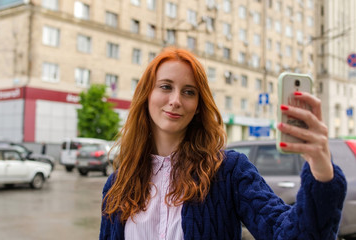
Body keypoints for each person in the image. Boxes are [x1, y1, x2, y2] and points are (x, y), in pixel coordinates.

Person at [100, 47, 347, 240]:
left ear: (198, 107)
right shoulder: (117, 184)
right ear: (146, 96)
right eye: (166, 87)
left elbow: (291, 234)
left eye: (189, 92)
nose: (175, 100)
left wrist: (321, 171)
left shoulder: (228, 171)